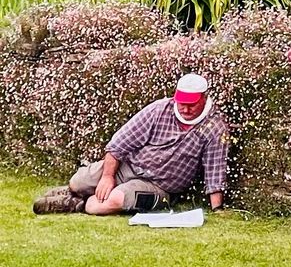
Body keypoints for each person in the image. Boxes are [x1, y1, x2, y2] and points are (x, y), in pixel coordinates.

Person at [32, 71, 228, 215]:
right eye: (181, 103)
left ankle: (75, 204)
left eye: (191, 104)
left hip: (159, 187)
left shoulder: (214, 127)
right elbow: (118, 144)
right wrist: (108, 177)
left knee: (102, 204)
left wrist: (217, 209)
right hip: (128, 167)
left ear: (204, 98)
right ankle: (73, 191)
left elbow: (214, 170)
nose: (184, 109)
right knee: (78, 181)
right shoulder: (159, 109)